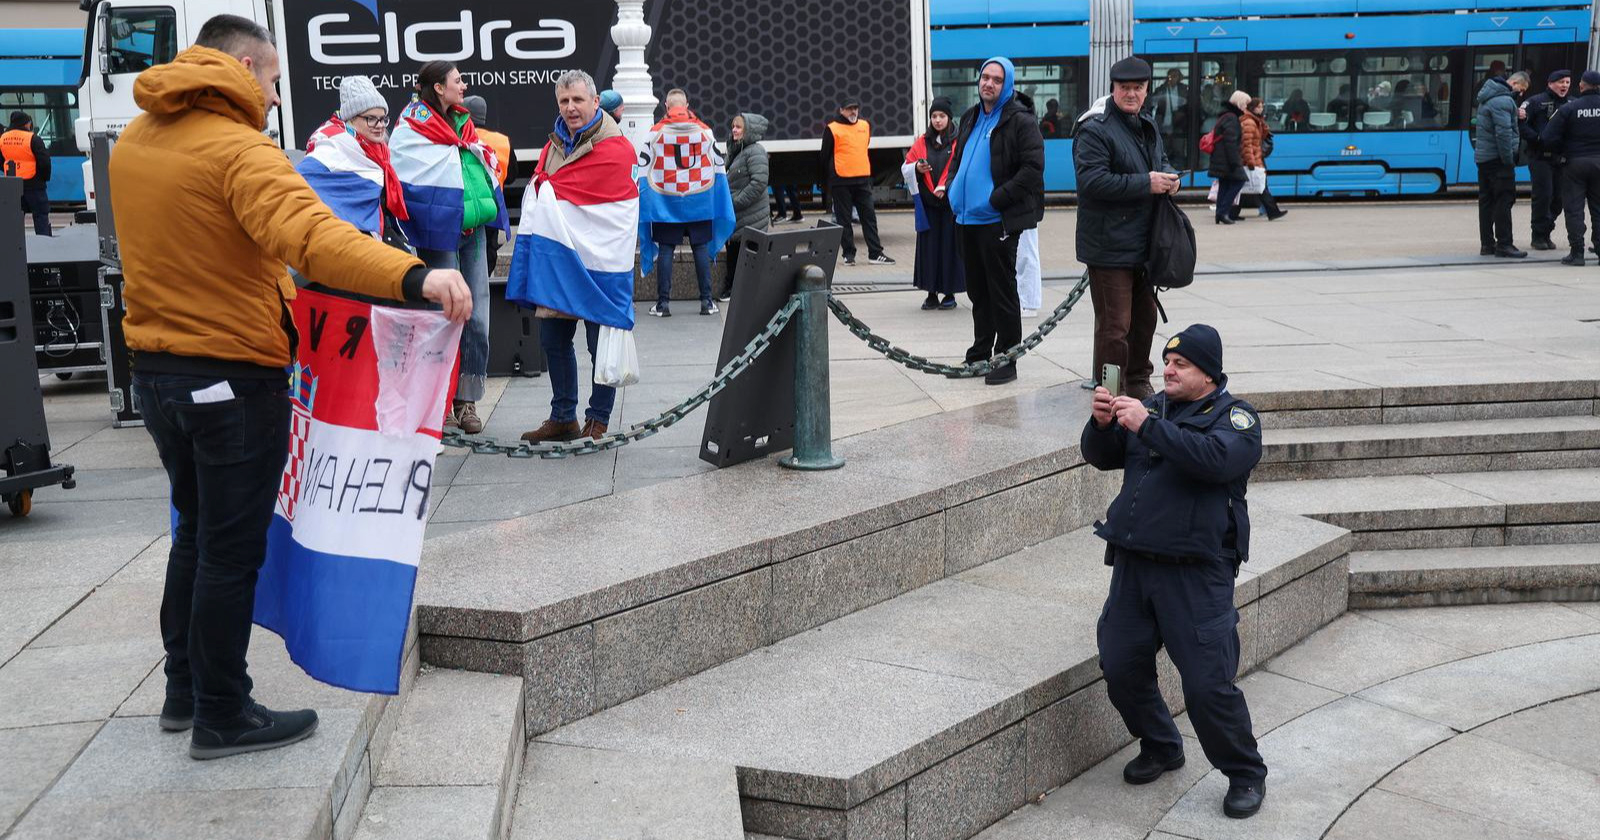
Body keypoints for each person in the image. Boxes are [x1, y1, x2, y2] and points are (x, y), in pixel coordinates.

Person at [107, 14, 470, 760]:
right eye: (272, 79)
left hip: (159, 374)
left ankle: (184, 688)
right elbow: (316, 238)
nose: (275, 98)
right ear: (241, 67)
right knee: (230, 552)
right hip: (233, 377)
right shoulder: (238, 149)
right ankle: (222, 711)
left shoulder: (137, 140)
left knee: (195, 532)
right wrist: (414, 275)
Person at [1082, 323, 1268, 821]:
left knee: (1208, 685)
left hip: (1196, 573)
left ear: (1208, 373)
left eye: (1181, 364)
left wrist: (1146, 425)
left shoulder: (1236, 419)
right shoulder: (1154, 409)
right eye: (1166, 362)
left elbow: (1214, 461)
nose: (1168, 370)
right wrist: (1102, 425)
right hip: (1135, 564)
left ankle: (1245, 772)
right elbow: (1101, 458)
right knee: (1120, 666)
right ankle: (1162, 745)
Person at [514, 69, 637, 443]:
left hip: (599, 265)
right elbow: (547, 191)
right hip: (561, 262)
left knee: (599, 343)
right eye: (564, 101)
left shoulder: (617, 148)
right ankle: (563, 417)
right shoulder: (553, 145)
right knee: (553, 339)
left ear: (595, 102)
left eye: (577, 100)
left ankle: (597, 420)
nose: (570, 108)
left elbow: (621, 209)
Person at [391, 60, 508, 434]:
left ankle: (467, 399)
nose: (463, 85)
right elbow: (406, 175)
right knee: (442, 318)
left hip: (471, 231)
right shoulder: (410, 126)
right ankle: (438, 399)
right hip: (437, 234)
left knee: (476, 315)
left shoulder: (463, 122)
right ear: (438, 88)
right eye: (457, 80)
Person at [1073, 56, 1178, 400]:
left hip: (1143, 243)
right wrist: (1146, 183)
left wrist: (1169, 178)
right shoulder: (1095, 128)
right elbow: (1092, 182)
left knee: (1145, 318)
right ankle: (1112, 392)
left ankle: (1137, 380)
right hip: (1108, 245)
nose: (1131, 94)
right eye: (1124, 88)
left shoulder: (1146, 124)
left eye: (1138, 88)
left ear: (1147, 90)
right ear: (1113, 89)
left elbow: (1160, 162)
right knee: (1115, 327)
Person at [939, 57, 1044, 386]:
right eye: (985, 77)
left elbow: (1032, 169)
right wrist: (954, 191)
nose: (989, 84)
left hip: (995, 221)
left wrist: (997, 199)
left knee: (1002, 292)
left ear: (1007, 84)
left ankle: (1007, 359)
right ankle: (980, 354)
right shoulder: (971, 115)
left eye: (997, 79)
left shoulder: (1020, 121)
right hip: (966, 220)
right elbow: (957, 158)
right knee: (978, 292)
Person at [295, 75, 409, 252]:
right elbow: (297, 182)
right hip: (346, 245)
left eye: (383, 118)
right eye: (371, 118)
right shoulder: (334, 146)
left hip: (378, 237)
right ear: (351, 119)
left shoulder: (378, 149)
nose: (380, 125)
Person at [644, 90, 724, 317]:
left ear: (667, 107)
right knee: (700, 249)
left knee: (666, 250)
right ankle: (707, 303)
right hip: (698, 201)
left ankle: (663, 304)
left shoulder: (655, 132)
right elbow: (717, 166)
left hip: (667, 202)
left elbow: (645, 168)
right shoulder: (705, 131)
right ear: (687, 104)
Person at [904, 97, 963, 310]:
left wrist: (944, 187)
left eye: (942, 116)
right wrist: (916, 169)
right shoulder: (922, 142)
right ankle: (930, 293)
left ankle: (949, 293)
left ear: (949, 118)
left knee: (949, 249)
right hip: (928, 205)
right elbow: (906, 166)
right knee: (929, 250)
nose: (937, 120)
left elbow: (961, 169)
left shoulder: (958, 142)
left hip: (949, 206)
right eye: (934, 116)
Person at [821, 96, 894, 266]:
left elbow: (863, 147)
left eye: (855, 108)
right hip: (841, 180)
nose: (853, 111)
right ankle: (848, 254)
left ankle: (875, 253)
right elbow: (824, 156)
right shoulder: (832, 128)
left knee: (869, 217)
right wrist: (829, 180)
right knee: (844, 219)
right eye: (849, 108)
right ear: (841, 110)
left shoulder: (865, 125)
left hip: (862, 179)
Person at [1540, 70, 1600, 266]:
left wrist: (1562, 153)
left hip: (1574, 163)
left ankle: (1577, 253)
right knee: (1598, 209)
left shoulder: (1570, 108)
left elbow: (1547, 138)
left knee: (1574, 209)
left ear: (1582, 86)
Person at [1475, 70, 1529, 258]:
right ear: (1513, 83)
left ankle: (1487, 244)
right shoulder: (1504, 100)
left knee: (1486, 202)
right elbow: (1504, 133)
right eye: (1521, 89)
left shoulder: (1487, 97)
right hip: (1499, 160)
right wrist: (1509, 160)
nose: (1520, 94)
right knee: (1504, 201)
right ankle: (1505, 244)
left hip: (1484, 159)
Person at [1520, 69, 1571, 251]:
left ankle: (1546, 230)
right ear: (1550, 83)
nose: (1564, 85)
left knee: (1558, 199)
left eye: (1567, 82)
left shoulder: (1572, 104)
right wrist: (1538, 139)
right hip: (1540, 157)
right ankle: (1538, 236)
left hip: (1561, 158)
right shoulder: (1535, 102)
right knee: (1543, 196)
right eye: (1561, 82)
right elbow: (1522, 126)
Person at [464, 95, 515, 275]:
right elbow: (511, 176)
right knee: (486, 261)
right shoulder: (501, 141)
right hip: (493, 211)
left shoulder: (461, 139)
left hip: (470, 212)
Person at [722, 112, 770, 300]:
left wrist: (735, 202)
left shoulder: (755, 151)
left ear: (748, 130)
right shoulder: (736, 150)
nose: (734, 129)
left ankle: (736, 292)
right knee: (735, 251)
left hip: (750, 214)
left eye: (739, 127)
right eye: (733, 126)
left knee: (743, 255)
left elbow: (758, 183)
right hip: (740, 215)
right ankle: (734, 290)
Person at [2, 110, 51, 235]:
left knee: (14, 219)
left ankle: (15, 247)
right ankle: (44, 244)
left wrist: (8, 170)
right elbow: (44, 161)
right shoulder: (33, 138)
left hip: (12, 184)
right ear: (26, 124)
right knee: (40, 216)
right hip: (34, 184)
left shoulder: (2, 139)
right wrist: (44, 178)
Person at [1241, 96, 1286, 221]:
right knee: (1261, 186)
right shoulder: (1250, 122)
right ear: (1253, 108)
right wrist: (1250, 162)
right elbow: (1247, 143)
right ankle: (1273, 212)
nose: (1262, 109)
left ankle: (1232, 212)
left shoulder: (1256, 121)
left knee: (1249, 187)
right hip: (1254, 159)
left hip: (1256, 158)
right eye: (1259, 107)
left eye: (1262, 106)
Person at [1209, 91, 1248, 225]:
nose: (1246, 108)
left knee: (1225, 185)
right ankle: (1223, 212)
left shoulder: (1226, 115)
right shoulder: (1232, 118)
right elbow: (1230, 141)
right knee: (1239, 181)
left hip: (1221, 158)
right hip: (1227, 159)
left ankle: (1220, 213)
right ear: (1240, 103)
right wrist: (1235, 162)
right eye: (1245, 104)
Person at [1152, 69, 1189, 166]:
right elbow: (1152, 101)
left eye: (1175, 76)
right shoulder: (1161, 89)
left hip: (1179, 125)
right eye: (1170, 76)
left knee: (1178, 151)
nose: (1173, 78)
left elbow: (1189, 105)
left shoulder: (1184, 89)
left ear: (1179, 78)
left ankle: (1178, 172)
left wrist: (1181, 113)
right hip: (1163, 125)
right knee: (1163, 151)